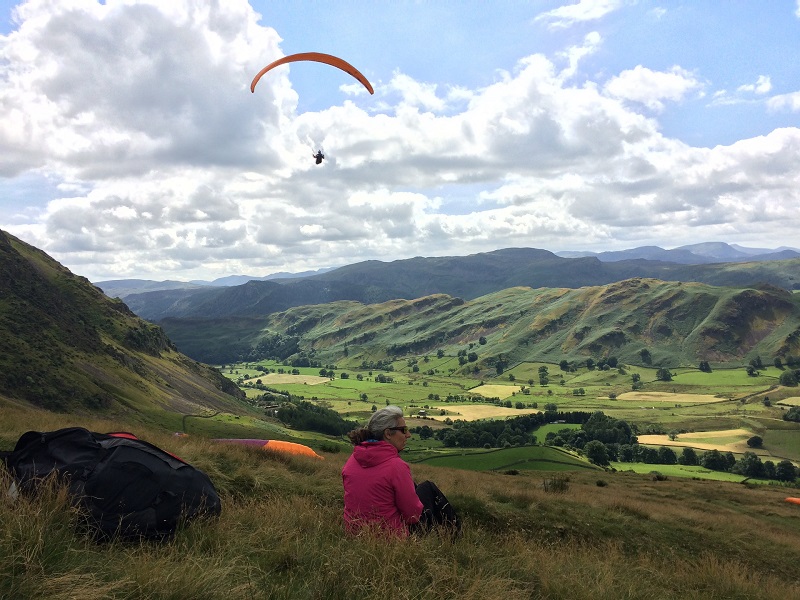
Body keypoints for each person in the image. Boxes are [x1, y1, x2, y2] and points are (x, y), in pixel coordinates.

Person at [341, 406, 423, 536]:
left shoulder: (352, 460)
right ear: (388, 433)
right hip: (389, 539)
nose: (408, 435)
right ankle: (454, 538)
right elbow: (412, 516)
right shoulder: (397, 467)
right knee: (428, 490)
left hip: (354, 533)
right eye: (403, 430)